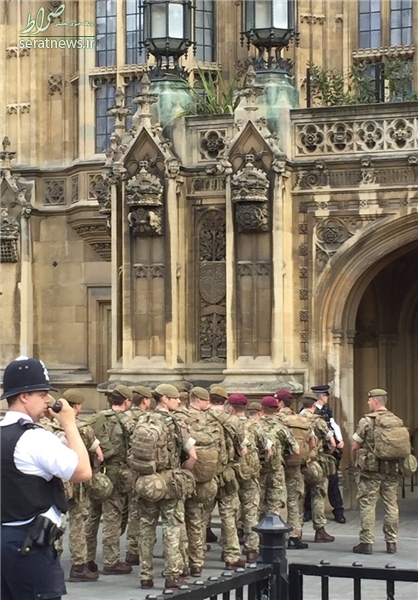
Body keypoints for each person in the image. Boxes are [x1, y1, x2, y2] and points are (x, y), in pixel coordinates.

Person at [0, 356, 92, 600]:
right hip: (29, 543)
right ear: (24, 397)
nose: (48, 400)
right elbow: (82, 471)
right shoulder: (34, 438)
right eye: (42, 394)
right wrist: (70, 424)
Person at [84, 385, 136, 575]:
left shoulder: (97, 417)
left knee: (92, 515)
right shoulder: (130, 421)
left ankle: (86, 558)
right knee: (112, 517)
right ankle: (111, 560)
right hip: (117, 474)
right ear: (127, 401)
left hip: (96, 473)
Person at [55, 389, 104, 582]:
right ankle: (78, 567)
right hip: (77, 481)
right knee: (78, 523)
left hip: (57, 483)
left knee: (56, 521)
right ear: (76, 407)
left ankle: (53, 560)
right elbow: (99, 455)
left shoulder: (49, 427)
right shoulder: (83, 428)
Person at [352, 389, 404, 555]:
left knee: (368, 504)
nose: (367, 403)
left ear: (375, 401)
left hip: (371, 471)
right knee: (391, 505)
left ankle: (366, 543)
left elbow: (355, 445)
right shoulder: (396, 420)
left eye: (369, 401)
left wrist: (358, 460)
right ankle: (391, 542)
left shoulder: (366, 421)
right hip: (391, 470)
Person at [275, 389, 312, 550]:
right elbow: (312, 442)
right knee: (295, 500)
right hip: (296, 464)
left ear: (280, 403)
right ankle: (295, 535)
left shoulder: (275, 420)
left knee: (275, 499)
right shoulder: (301, 420)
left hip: (278, 465)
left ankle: (274, 533)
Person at [300, 393, 336, 543]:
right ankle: (320, 530)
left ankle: (297, 532)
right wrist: (326, 453)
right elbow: (332, 443)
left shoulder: (296, 419)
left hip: (298, 464)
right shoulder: (318, 421)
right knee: (318, 494)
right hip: (316, 463)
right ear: (314, 405)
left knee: (298, 497)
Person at [308, 384, 346, 524]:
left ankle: (338, 510)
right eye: (326, 395)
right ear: (321, 397)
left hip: (329, 450)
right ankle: (308, 511)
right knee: (311, 479)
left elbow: (333, 424)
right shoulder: (308, 411)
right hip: (316, 450)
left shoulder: (326, 409)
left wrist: (340, 439)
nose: (328, 398)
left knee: (333, 479)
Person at [125, 385, 154, 565]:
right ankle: (136, 549)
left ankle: (131, 551)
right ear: (145, 400)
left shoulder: (124, 417)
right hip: (141, 469)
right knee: (142, 512)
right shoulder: (145, 420)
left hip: (124, 468)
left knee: (131, 512)